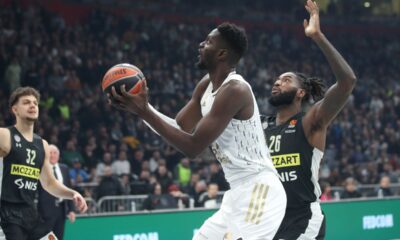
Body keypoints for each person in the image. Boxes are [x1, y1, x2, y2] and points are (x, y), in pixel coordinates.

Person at [110, 22, 286, 240]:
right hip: (236, 193)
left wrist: (145, 111)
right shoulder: (205, 85)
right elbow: (179, 127)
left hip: (260, 189)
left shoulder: (235, 90)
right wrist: (142, 110)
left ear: (222, 53)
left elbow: (193, 147)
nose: (201, 45)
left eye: (208, 41)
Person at [262, 1, 357, 239]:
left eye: (285, 80)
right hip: (269, 220)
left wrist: (318, 36)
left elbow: (347, 82)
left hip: (303, 218)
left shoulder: (309, 120)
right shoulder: (260, 125)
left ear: (300, 92)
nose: (277, 82)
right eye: (276, 79)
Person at [0, 87, 87, 240]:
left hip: (30, 214)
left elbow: (49, 183)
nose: (32, 105)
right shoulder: (5, 135)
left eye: (35, 103)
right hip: (6, 214)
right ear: (15, 110)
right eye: (26, 103)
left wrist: (72, 193)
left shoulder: (43, 144)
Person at [38, 144, 76, 240]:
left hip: (61, 210)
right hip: (45, 211)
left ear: (58, 155)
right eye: (50, 153)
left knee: (59, 236)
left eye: (55, 153)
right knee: (47, 237)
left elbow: (69, 189)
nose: (53, 155)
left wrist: (71, 210)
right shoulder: (42, 168)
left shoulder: (64, 168)